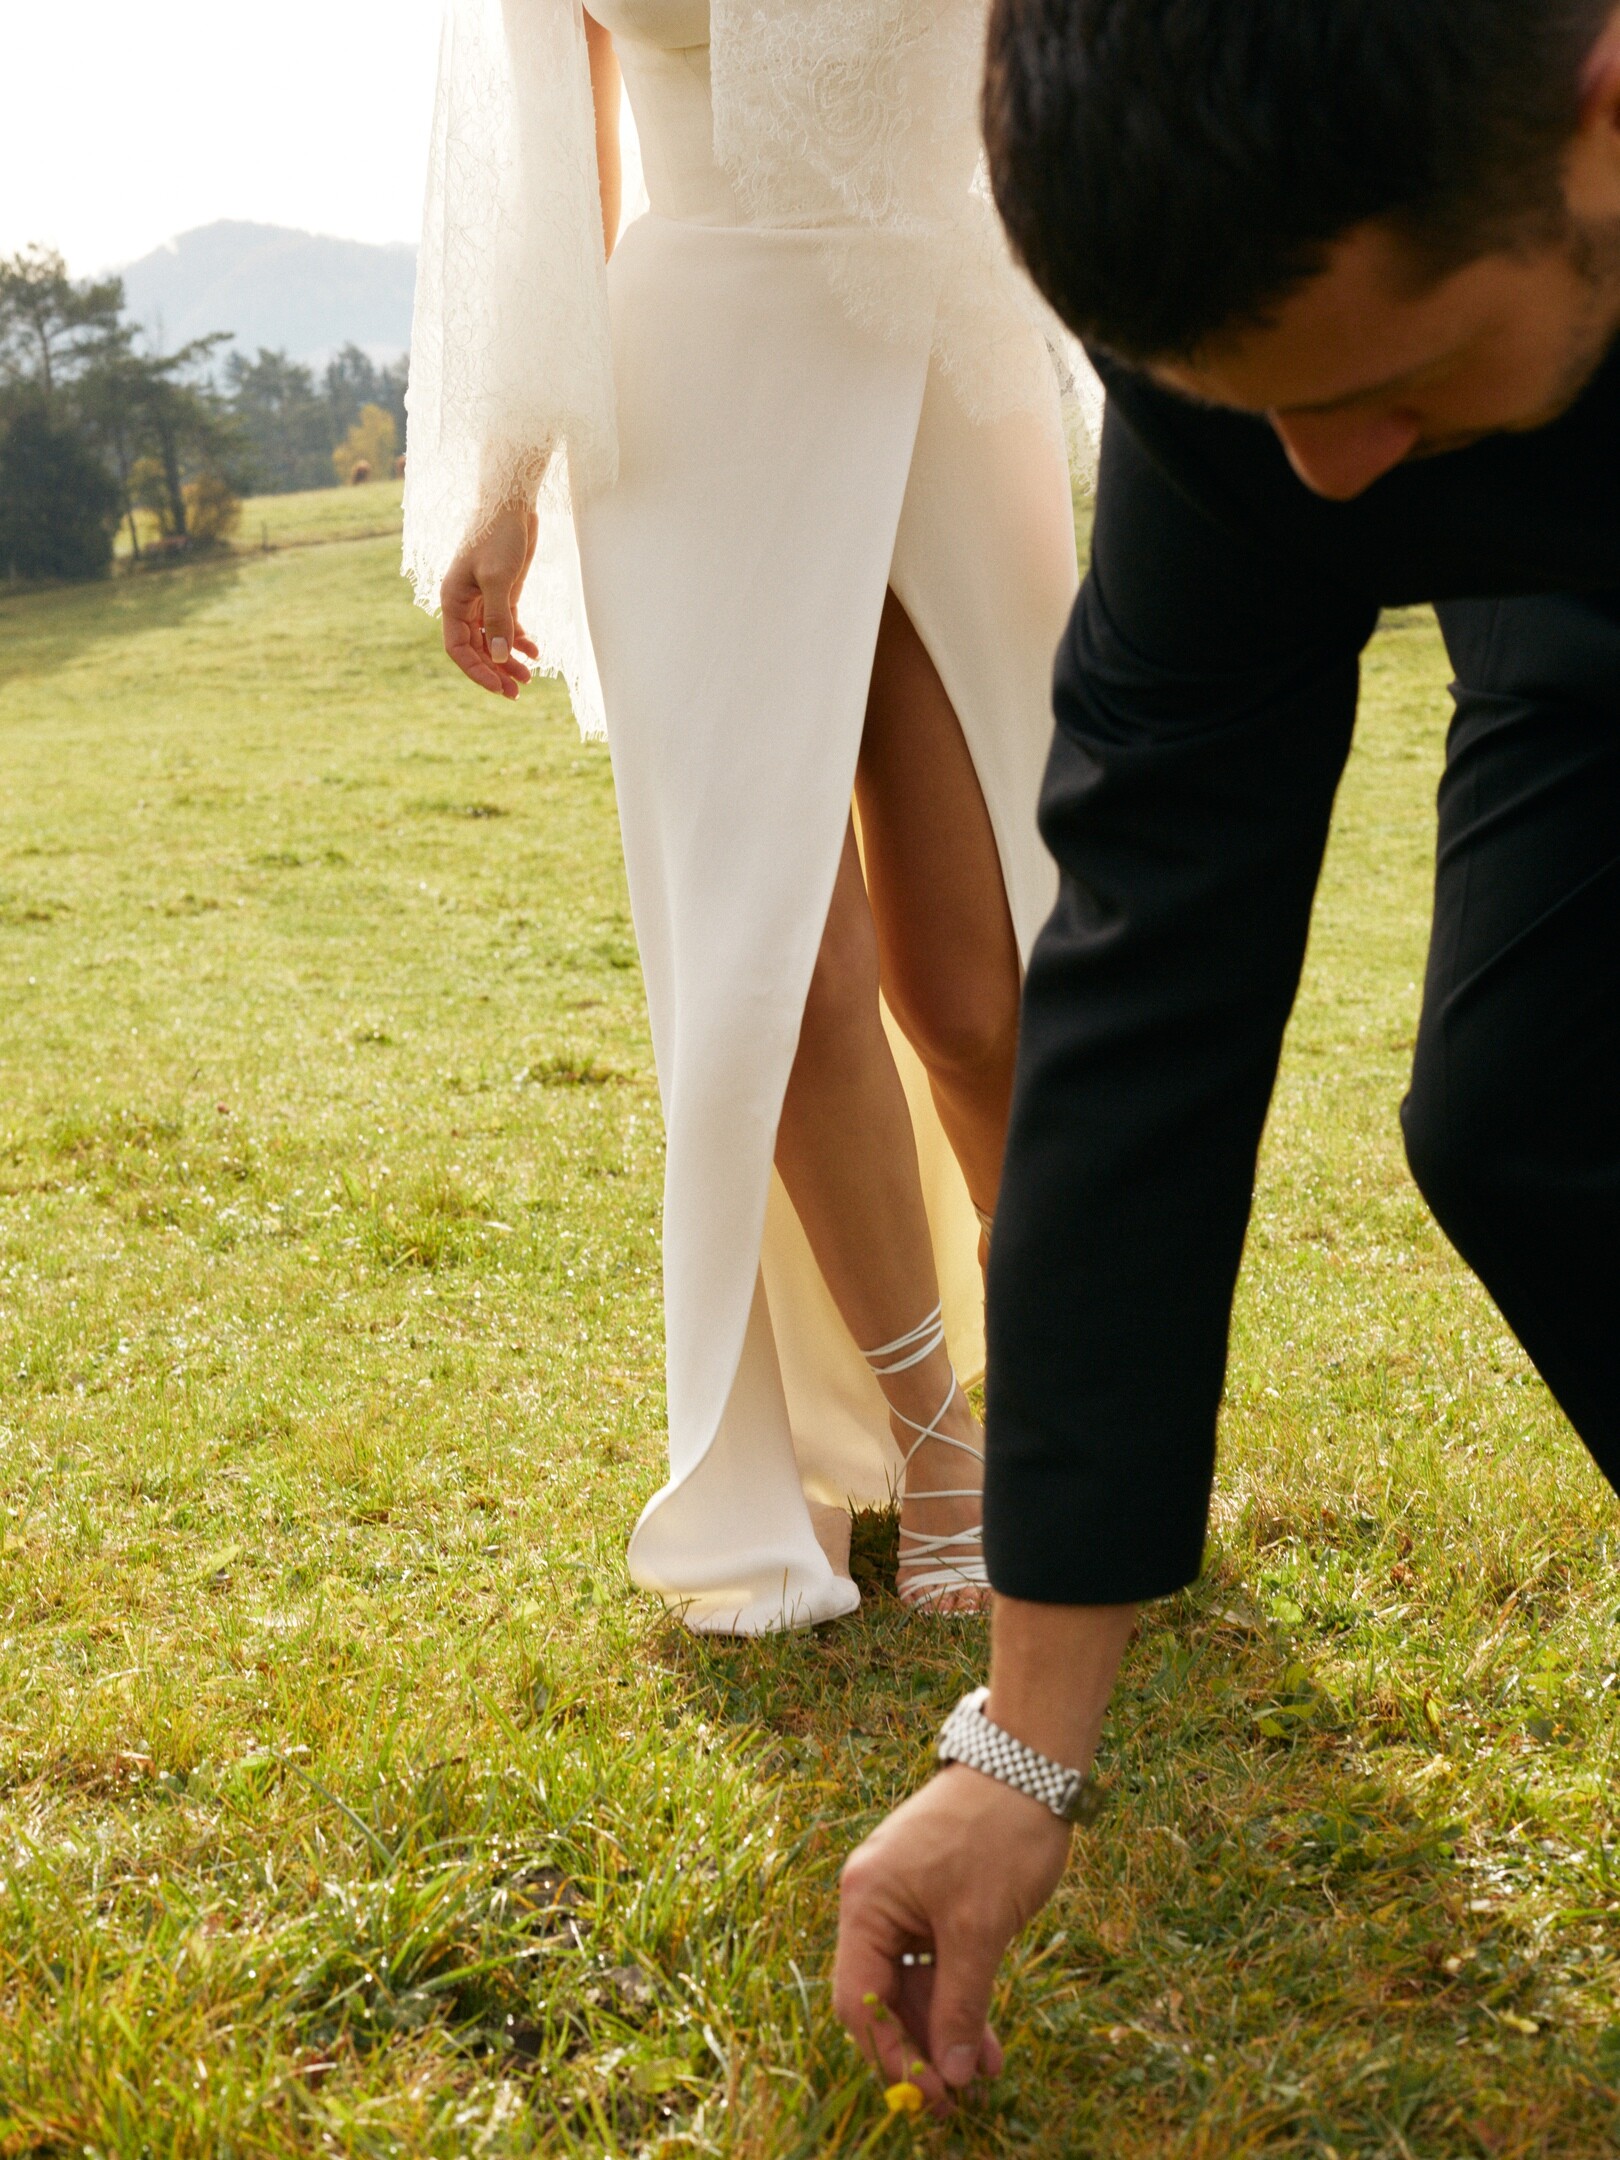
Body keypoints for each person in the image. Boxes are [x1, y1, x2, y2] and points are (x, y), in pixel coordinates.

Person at [835, 0, 1620, 2110]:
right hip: (1575, 590)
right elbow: (1150, 974)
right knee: (1526, 1113)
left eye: (1373, 384)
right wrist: (1022, 1744)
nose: (1323, 475)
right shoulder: (1255, 390)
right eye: (1259, 406)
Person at [402, 1, 1091, 1630]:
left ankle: (1077, 1395)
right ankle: (937, 1443)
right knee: (776, 963)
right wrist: (505, 484)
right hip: (693, 399)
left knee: (980, 976)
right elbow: (548, 161)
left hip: (940, 345)